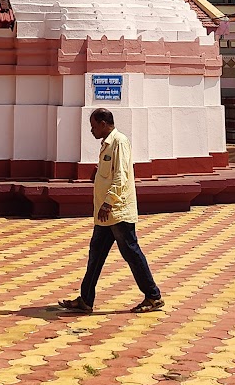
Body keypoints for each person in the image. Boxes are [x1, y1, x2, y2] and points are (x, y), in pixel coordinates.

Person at [60, 109, 164, 315]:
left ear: (104, 123)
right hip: (105, 213)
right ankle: (86, 299)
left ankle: (153, 296)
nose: (91, 130)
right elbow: (110, 174)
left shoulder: (119, 142)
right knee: (96, 254)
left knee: (131, 253)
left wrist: (108, 203)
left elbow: (121, 176)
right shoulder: (107, 144)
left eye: (94, 125)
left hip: (117, 211)